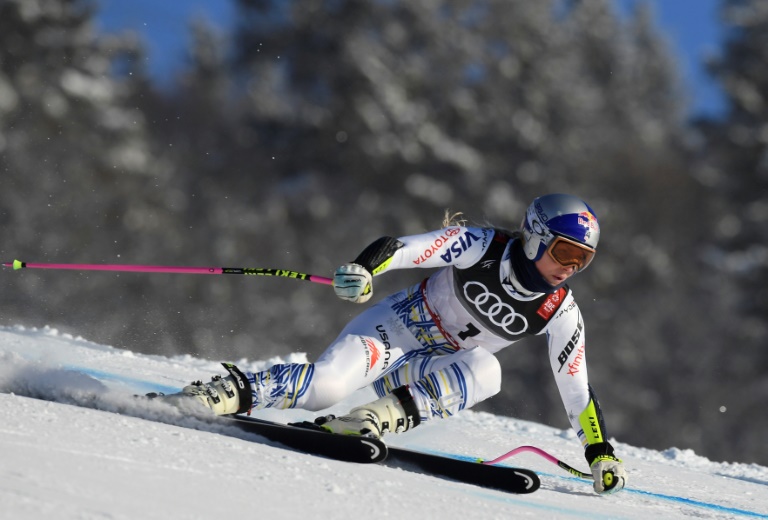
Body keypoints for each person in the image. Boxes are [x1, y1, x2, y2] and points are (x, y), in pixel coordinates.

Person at [178, 193, 627, 495]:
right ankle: (226, 393)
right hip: (397, 330)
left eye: (582, 259)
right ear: (536, 235)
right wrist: (364, 269)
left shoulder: (561, 312)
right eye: (565, 252)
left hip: (428, 370)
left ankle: (367, 421)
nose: (570, 267)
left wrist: (599, 453)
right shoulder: (482, 246)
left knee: (488, 371)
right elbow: (405, 248)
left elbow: (577, 391)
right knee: (326, 387)